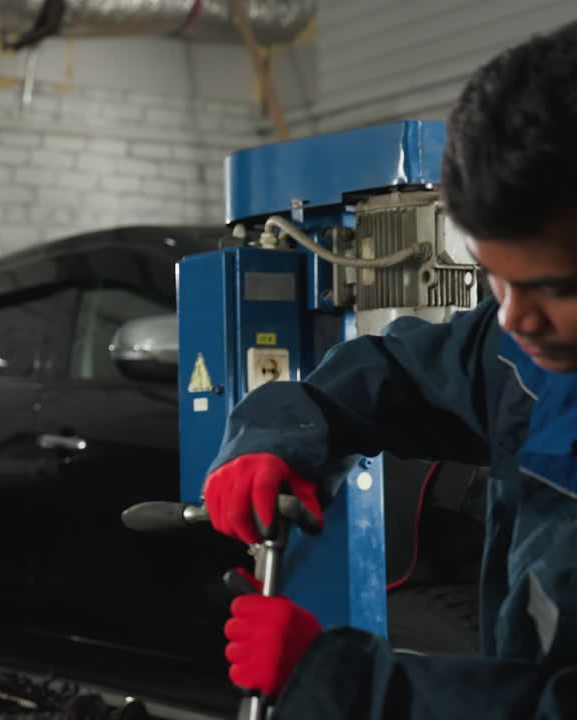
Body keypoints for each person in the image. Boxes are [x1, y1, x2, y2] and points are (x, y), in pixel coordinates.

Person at [202, 22, 577, 719]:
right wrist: (281, 432)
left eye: (554, 286)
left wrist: (345, 683)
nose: (514, 319)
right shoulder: (531, 357)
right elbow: (398, 370)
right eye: (495, 278)